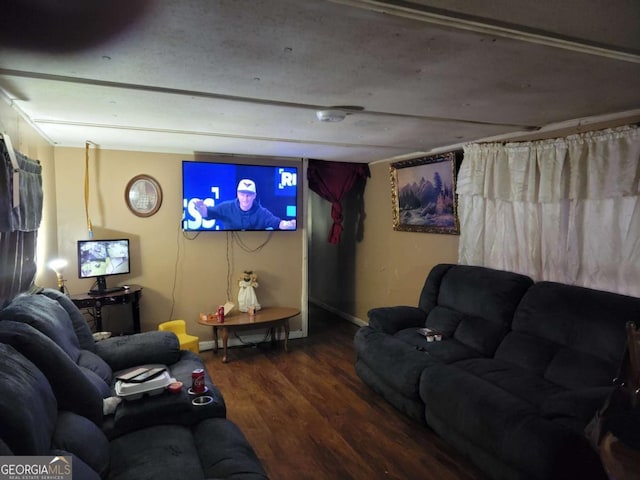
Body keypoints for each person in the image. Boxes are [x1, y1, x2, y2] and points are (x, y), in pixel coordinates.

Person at [194, 179, 296, 230]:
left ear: (254, 196)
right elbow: (207, 214)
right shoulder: (226, 207)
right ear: (238, 194)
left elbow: (278, 223)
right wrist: (200, 207)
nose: (245, 199)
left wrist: (290, 224)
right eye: (242, 195)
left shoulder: (261, 212)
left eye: (249, 195)